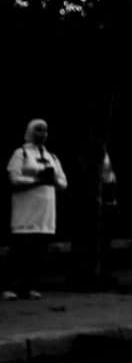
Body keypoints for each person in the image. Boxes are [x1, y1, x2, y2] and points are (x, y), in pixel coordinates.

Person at [6, 119, 67, 300]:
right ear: (31, 132)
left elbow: (63, 182)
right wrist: (37, 180)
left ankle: (29, 285)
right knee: (21, 248)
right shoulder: (21, 153)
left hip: (45, 209)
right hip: (26, 209)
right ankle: (12, 286)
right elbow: (14, 179)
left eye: (45, 130)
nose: (42, 134)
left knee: (38, 250)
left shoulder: (52, 157)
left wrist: (52, 180)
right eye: (38, 130)